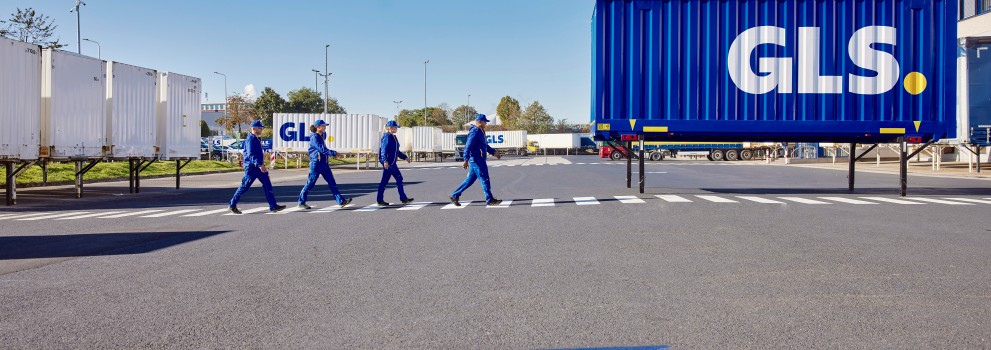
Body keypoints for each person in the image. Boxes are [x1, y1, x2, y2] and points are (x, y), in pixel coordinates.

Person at [229, 120, 285, 214]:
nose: (261, 130)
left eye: (261, 128)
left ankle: (273, 206)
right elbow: (251, 154)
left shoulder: (256, 138)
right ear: (254, 128)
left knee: (268, 185)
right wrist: (260, 165)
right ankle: (232, 205)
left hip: (259, 167)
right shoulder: (250, 139)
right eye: (260, 128)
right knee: (244, 187)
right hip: (251, 168)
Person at [297, 119, 352, 209]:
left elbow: (324, 150)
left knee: (332, 182)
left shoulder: (321, 136)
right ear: (317, 127)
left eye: (325, 126)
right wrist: (335, 153)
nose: (325, 127)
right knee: (310, 183)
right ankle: (301, 202)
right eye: (323, 126)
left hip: (324, 164)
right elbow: (322, 149)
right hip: (316, 163)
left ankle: (341, 201)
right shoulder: (314, 137)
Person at [449, 114, 502, 206]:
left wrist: (494, 152)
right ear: (480, 122)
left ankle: (455, 195)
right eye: (485, 122)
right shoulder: (475, 131)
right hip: (477, 159)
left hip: (478, 158)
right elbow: (468, 146)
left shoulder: (481, 131)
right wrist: (465, 159)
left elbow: (485, 145)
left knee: (470, 180)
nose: (486, 123)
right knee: (484, 178)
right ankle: (489, 199)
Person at [376, 120, 414, 206]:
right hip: (389, 163)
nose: (397, 129)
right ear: (390, 128)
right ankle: (403, 198)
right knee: (399, 178)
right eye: (395, 127)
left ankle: (380, 200)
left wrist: (405, 157)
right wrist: (385, 160)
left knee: (384, 181)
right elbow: (383, 150)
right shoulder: (387, 137)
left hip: (391, 162)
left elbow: (396, 151)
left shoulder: (393, 137)